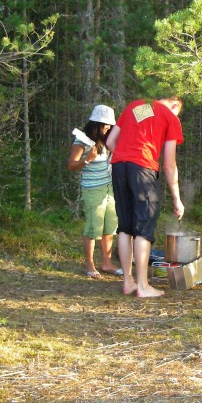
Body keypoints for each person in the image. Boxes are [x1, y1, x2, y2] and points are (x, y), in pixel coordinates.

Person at [106, 96, 184, 298]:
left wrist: (126, 156)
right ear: (174, 105)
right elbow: (169, 164)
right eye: (178, 113)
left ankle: (128, 282)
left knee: (125, 226)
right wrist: (177, 198)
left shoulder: (134, 106)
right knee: (143, 227)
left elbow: (110, 141)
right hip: (143, 168)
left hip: (119, 167)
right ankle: (142, 286)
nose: (177, 117)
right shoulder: (169, 116)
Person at [67, 104, 122, 278]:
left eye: (109, 126)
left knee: (110, 226)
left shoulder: (107, 141)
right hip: (92, 190)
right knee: (93, 227)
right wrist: (87, 160)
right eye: (104, 125)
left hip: (109, 188)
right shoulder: (82, 140)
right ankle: (89, 266)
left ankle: (106, 263)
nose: (107, 128)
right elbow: (71, 165)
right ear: (95, 124)